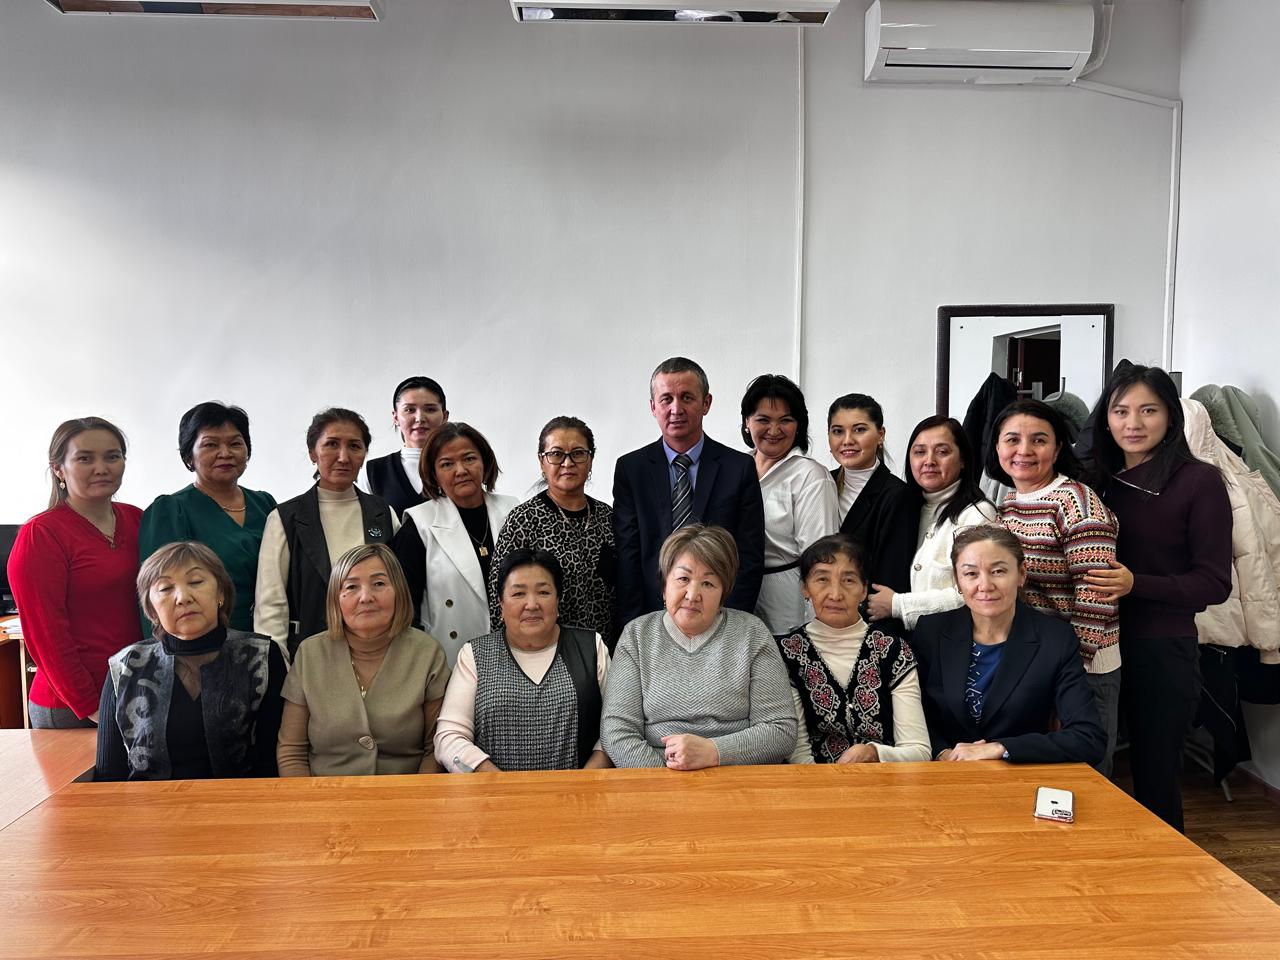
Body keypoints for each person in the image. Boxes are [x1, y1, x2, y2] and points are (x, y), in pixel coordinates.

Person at [1085, 364, 1232, 831]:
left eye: (1148, 410)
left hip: (1160, 647)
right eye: (1121, 411)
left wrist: (1137, 584)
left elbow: (1214, 583)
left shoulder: (1199, 481)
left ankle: (1166, 865)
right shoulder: (1094, 481)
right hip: (1094, 644)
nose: (1133, 423)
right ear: (1106, 419)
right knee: (1089, 767)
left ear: (1171, 415)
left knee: (1154, 776)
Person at [987, 398, 1123, 776]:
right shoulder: (1010, 502)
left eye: (1039, 440)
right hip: (1037, 659)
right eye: (1012, 439)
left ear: (1058, 448)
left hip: (1085, 664)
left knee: (1084, 774)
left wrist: (1065, 676)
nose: (1024, 450)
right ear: (996, 446)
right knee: (1038, 772)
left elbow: (1096, 598)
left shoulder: (1076, 502)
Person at [600, 525, 795, 769]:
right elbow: (617, 731)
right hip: (655, 778)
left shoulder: (752, 633)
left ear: (723, 593)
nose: (692, 595)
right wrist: (666, 780)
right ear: (664, 585)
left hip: (737, 776)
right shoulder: (637, 635)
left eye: (708, 583)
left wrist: (714, 752)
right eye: (683, 579)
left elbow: (781, 729)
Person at [911, 525, 1105, 765]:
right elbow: (913, 717)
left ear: (1021, 574)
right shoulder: (930, 632)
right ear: (957, 580)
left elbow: (1088, 738)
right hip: (944, 771)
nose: (985, 585)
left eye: (998, 571)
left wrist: (1001, 748)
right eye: (971, 574)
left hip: (1019, 773)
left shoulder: (1055, 639)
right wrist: (942, 752)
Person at [95, 542, 286, 781]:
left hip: (240, 801)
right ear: (151, 610)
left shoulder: (261, 656)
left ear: (221, 593)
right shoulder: (126, 667)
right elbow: (108, 775)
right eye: (165, 588)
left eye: (196, 582)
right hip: (149, 803)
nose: (183, 598)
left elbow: (272, 761)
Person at [612, 357, 766, 633]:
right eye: (666, 399)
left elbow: (750, 555)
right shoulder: (631, 470)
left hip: (720, 617)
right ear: (653, 407)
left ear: (706, 403)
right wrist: (635, 627)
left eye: (686, 397)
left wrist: (731, 623)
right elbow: (628, 556)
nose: (676, 409)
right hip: (651, 619)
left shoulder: (738, 468)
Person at [7, 418, 142, 728]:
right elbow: (46, 636)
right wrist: (91, 707)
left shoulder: (137, 519)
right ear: (58, 469)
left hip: (135, 690)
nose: (101, 468)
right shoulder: (41, 534)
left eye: (112, 456)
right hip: (74, 707)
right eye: (85, 458)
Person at [276, 544, 450, 777]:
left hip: (404, 793)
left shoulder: (427, 653)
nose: (366, 597)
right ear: (335, 598)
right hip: (325, 794)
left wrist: (414, 798)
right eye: (351, 587)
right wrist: (311, 800)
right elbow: (292, 752)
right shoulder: (310, 654)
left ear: (398, 590)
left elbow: (435, 750)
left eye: (379, 584)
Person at [437, 549, 611, 772]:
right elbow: (449, 737)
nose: (531, 604)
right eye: (518, 594)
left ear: (558, 600)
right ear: (500, 604)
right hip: (492, 790)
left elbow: (616, 726)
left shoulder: (591, 647)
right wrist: (495, 781)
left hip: (582, 790)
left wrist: (585, 781)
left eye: (543, 592)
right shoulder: (474, 654)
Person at [254, 408, 397, 659]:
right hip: (309, 655)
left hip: (378, 651)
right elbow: (271, 606)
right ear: (313, 452)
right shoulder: (285, 518)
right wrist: (278, 666)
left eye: (354, 446)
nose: (343, 457)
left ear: (364, 454)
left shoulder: (383, 513)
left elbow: (400, 589)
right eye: (332, 444)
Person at [778, 535, 930, 764]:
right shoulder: (787, 653)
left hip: (885, 779)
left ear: (863, 590)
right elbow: (797, 754)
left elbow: (918, 750)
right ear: (805, 588)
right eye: (822, 579)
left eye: (848, 580)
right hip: (812, 781)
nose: (835, 594)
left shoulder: (893, 650)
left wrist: (875, 753)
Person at [139, 402, 276, 633]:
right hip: (208, 640)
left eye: (235, 443)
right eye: (211, 444)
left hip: (273, 634)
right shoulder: (170, 510)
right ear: (189, 455)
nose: (225, 453)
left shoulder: (265, 504)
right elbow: (158, 594)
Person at [393, 422, 518, 666]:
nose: (460, 470)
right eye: (447, 464)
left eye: (469, 459)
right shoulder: (419, 524)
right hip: (450, 659)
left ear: (484, 462)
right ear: (433, 474)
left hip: (515, 652)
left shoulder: (513, 510)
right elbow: (405, 610)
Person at [487, 416, 618, 644]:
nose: (567, 463)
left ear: (590, 460)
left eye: (578, 453)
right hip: (545, 651)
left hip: (605, 650)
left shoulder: (609, 517)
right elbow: (499, 594)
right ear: (542, 461)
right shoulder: (524, 520)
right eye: (556, 454)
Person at [866, 416, 998, 629]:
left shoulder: (977, 515)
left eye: (942, 452)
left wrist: (898, 605)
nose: (929, 461)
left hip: (955, 639)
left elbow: (978, 591)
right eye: (920, 452)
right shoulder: (906, 508)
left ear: (963, 459)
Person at [739, 374, 838, 633]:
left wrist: (818, 630)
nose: (774, 430)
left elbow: (821, 559)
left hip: (787, 603)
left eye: (785, 420)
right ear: (747, 422)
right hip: (735, 597)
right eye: (763, 420)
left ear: (798, 426)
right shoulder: (735, 468)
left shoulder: (811, 476)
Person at [827, 393, 910, 591]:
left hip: (867, 605)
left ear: (880, 435)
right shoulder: (821, 482)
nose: (847, 440)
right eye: (838, 431)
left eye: (859, 430)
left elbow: (890, 576)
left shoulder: (897, 495)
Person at [362, 376, 449, 517]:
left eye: (430, 409)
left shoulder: (460, 466)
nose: (420, 418)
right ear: (395, 417)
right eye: (410, 410)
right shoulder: (374, 472)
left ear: (445, 417)